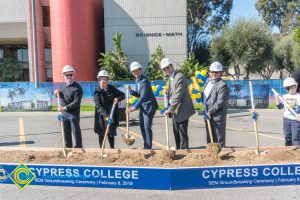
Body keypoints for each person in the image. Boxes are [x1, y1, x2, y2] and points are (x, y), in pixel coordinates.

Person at [160, 58, 195, 149]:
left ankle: (184, 152)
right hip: (175, 110)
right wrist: (166, 93)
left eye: (167, 67)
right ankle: (178, 149)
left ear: (172, 66)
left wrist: (169, 109)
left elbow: (177, 95)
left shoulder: (179, 77)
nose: (166, 70)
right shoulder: (171, 79)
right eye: (164, 69)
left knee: (182, 133)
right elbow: (172, 94)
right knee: (176, 132)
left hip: (182, 109)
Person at [127, 62, 158, 149]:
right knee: (142, 127)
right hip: (143, 107)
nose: (135, 73)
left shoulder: (144, 81)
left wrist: (134, 107)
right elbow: (139, 95)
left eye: (136, 71)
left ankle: (148, 147)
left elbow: (143, 96)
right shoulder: (137, 80)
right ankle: (146, 146)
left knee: (147, 127)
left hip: (149, 107)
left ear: (140, 70)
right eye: (133, 72)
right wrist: (131, 91)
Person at [94, 70, 125, 149]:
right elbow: (99, 106)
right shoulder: (97, 92)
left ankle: (112, 149)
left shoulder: (111, 88)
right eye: (102, 79)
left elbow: (122, 95)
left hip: (111, 115)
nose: (104, 81)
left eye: (106, 79)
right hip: (102, 116)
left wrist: (117, 99)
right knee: (102, 134)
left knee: (111, 133)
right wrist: (107, 116)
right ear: (99, 80)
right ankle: (102, 150)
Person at [54, 65, 83, 148]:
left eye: (70, 75)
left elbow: (76, 102)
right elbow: (59, 95)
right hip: (63, 115)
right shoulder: (61, 86)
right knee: (65, 133)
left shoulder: (77, 88)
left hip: (73, 115)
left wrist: (64, 108)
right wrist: (56, 93)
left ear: (74, 75)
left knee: (76, 133)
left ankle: (78, 148)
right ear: (64, 76)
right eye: (67, 75)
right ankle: (68, 148)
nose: (69, 77)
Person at [202, 61, 228, 148]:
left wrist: (210, 111)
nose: (214, 74)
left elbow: (220, 102)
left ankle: (221, 157)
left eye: (217, 72)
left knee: (218, 140)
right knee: (210, 137)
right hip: (207, 114)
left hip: (217, 116)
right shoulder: (208, 80)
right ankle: (211, 156)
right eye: (212, 72)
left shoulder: (222, 85)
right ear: (209, 72)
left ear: (221, 73)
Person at [275, 77, 300, 146]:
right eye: (289, 88)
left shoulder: (298, 96)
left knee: (295, 138)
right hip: (286, 119)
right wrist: (277, 98)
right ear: (286, 89)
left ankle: (297, 154)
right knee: (287, 137)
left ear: (296, 86)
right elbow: (280, 107)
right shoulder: (285, 96)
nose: (291, 89)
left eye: (292, 87)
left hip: (295, 120)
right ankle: (289, 153)